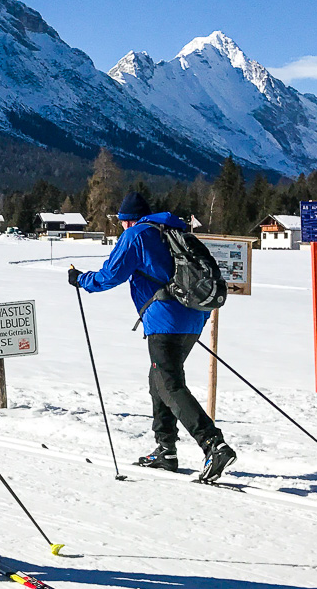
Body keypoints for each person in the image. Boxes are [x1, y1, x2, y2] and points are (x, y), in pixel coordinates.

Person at [69, 191, 237, 482]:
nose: (122, 227)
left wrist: (81, 280)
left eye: (122, 222)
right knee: (158, 379)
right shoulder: (173, 231)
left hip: (164, 320)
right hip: (194, 317)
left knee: (169, 384)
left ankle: (214, 445)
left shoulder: (136, 236)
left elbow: (111, 275)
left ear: (127, 220)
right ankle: (166, 450)